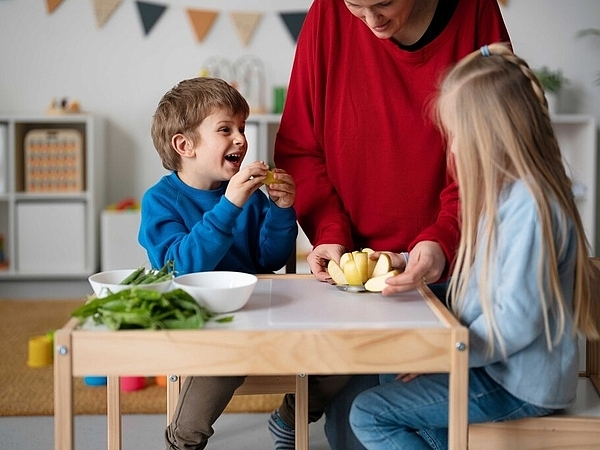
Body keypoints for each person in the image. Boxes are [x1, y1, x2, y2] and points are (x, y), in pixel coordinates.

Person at [271, 0, 510, 448]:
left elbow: (492, 150)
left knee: (432, 430)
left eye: (382, 4)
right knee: (358, 433)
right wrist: (329, 234)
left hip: (451, 273)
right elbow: (300, 149)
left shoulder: (475, 12)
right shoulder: (328, 14)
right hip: (356, 282)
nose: (371, 22)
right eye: (356, 7)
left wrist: (442, 240)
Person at [348, 42, 600, 449]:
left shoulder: (532, 208)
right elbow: (483, 278)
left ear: (492, 137)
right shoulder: (507, 195)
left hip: (518, 383)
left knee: (370, 414)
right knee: (390, 375)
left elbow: (515, 320)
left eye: (456, 136)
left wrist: (444, 354)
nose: (452, 149)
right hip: (498, 365)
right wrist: (409, 262)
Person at [138, 76, 298, 449]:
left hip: (256, 310)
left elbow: (269, 260)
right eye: (225, 129)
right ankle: (182, 440)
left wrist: (281, 212)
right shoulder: (160, 201)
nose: (241, 138)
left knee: (335, 356)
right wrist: (229, 206)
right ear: (185, 145)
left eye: (241, 128)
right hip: (203, 322)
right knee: (223, 361)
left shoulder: (250, 196)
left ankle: (290, 418)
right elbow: (179, 266)